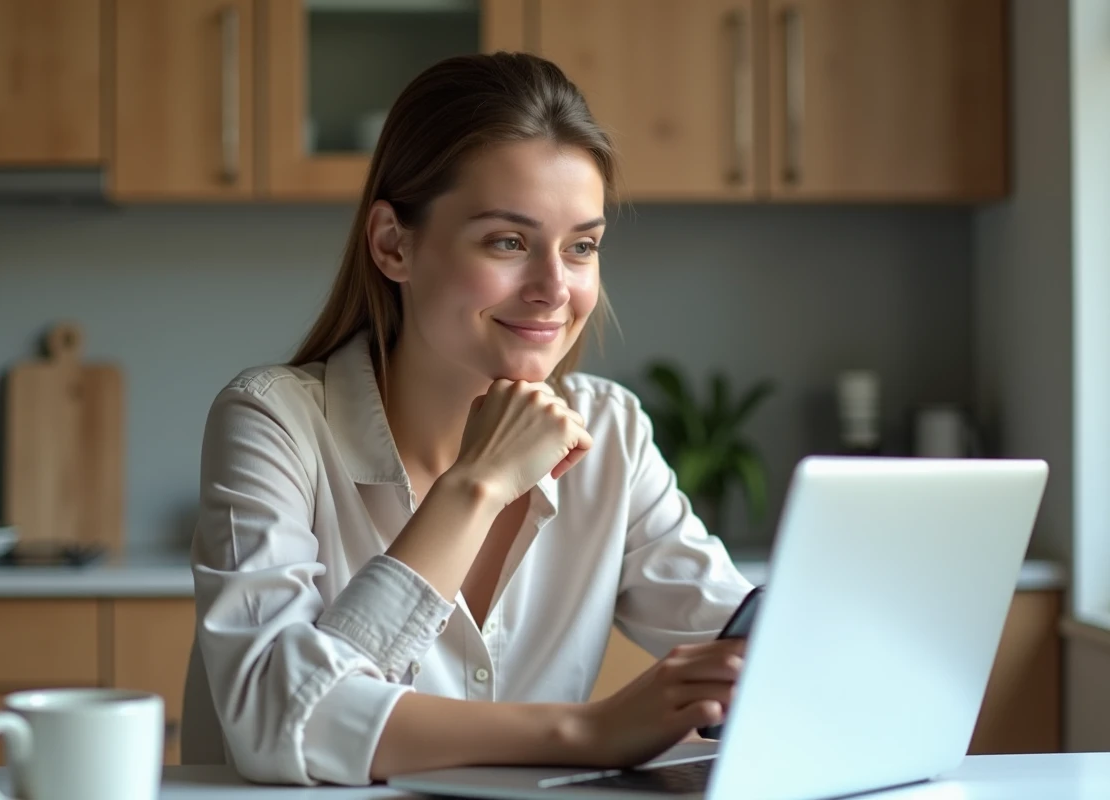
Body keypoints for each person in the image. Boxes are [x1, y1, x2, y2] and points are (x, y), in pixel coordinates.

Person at [184, 51, 754, 787]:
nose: (555, 288)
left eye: (581, 247)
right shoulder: (273, 421)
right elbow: (276, 722)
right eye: (508, 242)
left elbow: (747, 647)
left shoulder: (610, 432)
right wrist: (477, 485)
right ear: (394, 244)